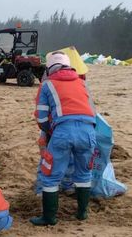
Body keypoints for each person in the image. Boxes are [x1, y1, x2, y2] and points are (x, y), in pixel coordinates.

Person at [31, 51, 96, 226]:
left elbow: (41, 116)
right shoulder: (83, 84)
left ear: (49, 68)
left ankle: (49, 218)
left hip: (62, 131)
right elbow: (93, 111)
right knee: (84, 173)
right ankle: (82, 213)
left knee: (50, 176)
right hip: (88, 131)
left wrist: (49, 132)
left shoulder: (47, 85)